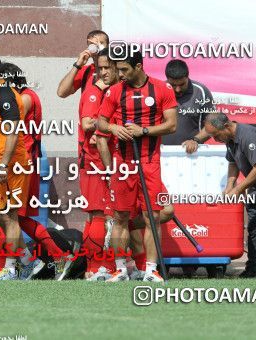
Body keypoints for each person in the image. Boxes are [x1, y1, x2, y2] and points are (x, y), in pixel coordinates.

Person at [97, 46, 178, 282]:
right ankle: (120, 269)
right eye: (117, 69)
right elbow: (101, 123)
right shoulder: (114, 92)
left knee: (152, 216)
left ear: (139, 67)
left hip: (149, 162)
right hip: (123, 163)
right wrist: (114, 128)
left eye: (124, 69)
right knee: (120, 217)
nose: (119, 74)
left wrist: (144, 130)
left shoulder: (162, 88)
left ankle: (150, 270)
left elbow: (171, 125)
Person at [1, 62, 72, 280]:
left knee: (10, 216)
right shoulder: (25, 96)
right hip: (23, 164)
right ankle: (35, 260)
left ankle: (32, 261)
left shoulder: (24, 98)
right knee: (14, 218)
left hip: (23, 165)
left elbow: (9, 130)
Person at [204, 112, 256, 278]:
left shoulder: (248, 136)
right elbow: (233, 162)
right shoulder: (229, 139)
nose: (215, 139)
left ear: (226, 126)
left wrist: (237, 189)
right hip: (255, 188)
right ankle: (253, 268)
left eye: (216, 135)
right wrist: (230, 185)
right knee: (253, 228)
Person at [78, 48, 118, 281]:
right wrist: (107, 124)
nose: (102, 72)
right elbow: (86, 123)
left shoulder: (116, 91)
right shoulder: (95, 92)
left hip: (111, 160)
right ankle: (95, 267)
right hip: (95, 161)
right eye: (100, 68)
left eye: (107, 68)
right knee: (98, 215)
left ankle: (109, 265)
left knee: (111, 216)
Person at [162, 59, 215, 153]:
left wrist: (196, 140)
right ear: (167, 79)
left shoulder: (201, 92)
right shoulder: (159, 91)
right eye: (173, 85)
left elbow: (213, 123)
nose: (177, 89)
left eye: (182, 84)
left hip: (193, 154)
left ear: (187, 77)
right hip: (162, 154)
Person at [57, 30, 109, 98]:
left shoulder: (116, 69)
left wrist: (103, 52)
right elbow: (61, 93)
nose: (97, 46)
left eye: (101, 43)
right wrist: (77, 65)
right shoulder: (86, 70)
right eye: (93, 44)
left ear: (108, 46)